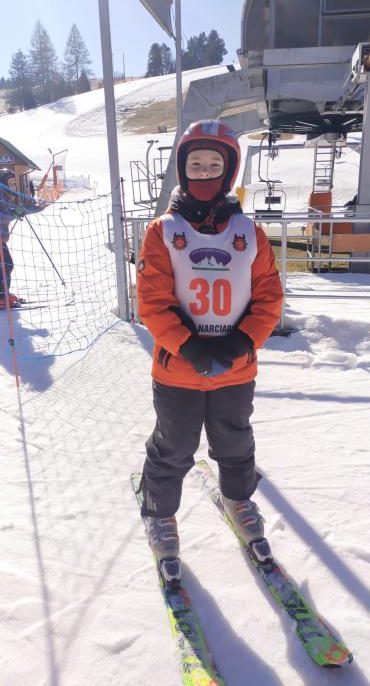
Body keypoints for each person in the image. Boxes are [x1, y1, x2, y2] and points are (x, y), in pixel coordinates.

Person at [136, 120, 284, 565]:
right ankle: (160, 513)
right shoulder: (162, 231)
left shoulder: (249, 234)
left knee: (235, 443)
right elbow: (153, 301)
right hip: (179, 370)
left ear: (229, 170)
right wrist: (190, 347)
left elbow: (269, 297)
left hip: (235, 370)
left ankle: (240, 499)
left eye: (214, 165)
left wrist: (241, 342)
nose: (204, 173)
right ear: (183, 169)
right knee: (173, 446)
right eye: (196, 164)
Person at [0, 169, 20, 308]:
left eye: (14, 183)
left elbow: (5, 212)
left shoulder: (6, 195)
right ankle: (2, 296)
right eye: (10, 183)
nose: (13, 186)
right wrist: (14, 214)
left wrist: (16, 211)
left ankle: (4, 293)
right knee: (5, 265)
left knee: (7, 265)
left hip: (1, 238)